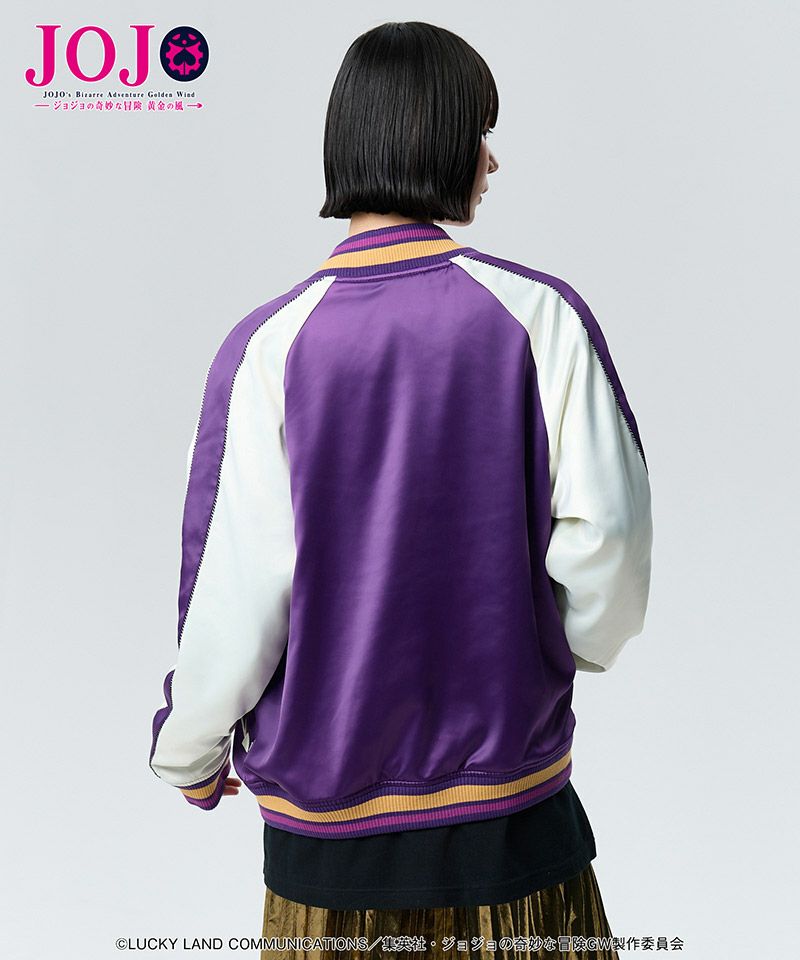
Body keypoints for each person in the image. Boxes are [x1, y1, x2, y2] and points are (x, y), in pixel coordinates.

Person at [147, 20, 653, 960]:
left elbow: (235, 591)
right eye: (481, 132)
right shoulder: (539, 317)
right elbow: (609, 540)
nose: (492, 161)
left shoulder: (269, 348)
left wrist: (190, 752)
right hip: (513, 814)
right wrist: (552, 650)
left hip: (328, 846)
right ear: (435, 138)